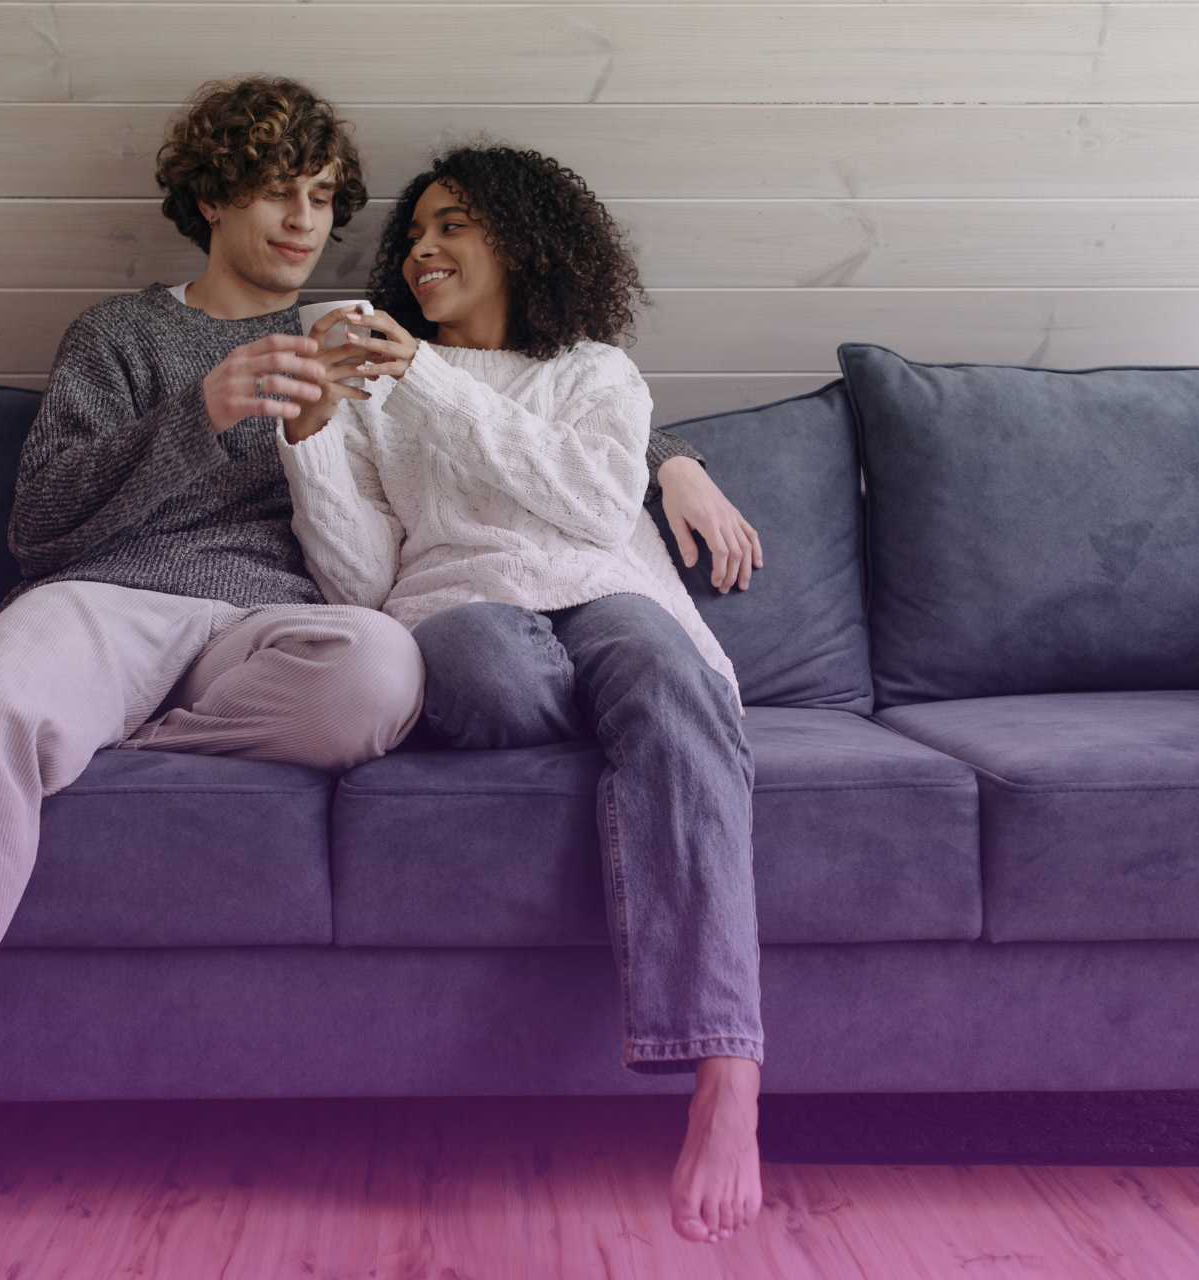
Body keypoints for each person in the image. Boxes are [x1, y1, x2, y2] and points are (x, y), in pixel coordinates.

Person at [0, 79, 758, 1280]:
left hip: (278, 626)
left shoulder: (375, 343)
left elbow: (517, 420)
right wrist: (200, 410)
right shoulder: (122, 335)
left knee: (382, 670)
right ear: (212, 195)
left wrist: (672, 460)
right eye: (278, 190)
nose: (304, 219)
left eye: (325, 197)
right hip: (111, 602)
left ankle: (74, 749)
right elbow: (37, 525)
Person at [277, 145, 767, 1246]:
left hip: (608, 589)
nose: (422, 249)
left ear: (522, 241)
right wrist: (309, 442)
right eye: (415, 234)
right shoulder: (376, 385)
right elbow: (360, 576)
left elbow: (598, 506)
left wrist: (431, 375)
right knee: (486, 676)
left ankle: (728, 1075)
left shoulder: (595, 370)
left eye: (453, 225)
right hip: (460, 601)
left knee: (670, 683)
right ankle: (621, 732)